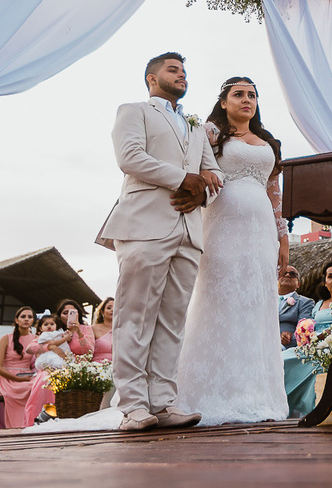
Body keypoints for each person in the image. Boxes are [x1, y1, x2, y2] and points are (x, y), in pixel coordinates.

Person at [95, 52, 224, 432]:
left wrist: (202, 194)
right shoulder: (133, 111)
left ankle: (164, 403)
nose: (181, 75)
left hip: (188, 231)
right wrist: (183, 179)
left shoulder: (195, 126)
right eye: (173, 70)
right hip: (144, 224)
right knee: (135, 316)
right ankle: (133, 406)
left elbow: (213, 174)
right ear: (152, 78)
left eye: (184, 71)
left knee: (172, 321)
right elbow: (130, 157)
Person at [176, 77, 291, 425]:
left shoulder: (269, 142)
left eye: (252, 95)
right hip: (222, 225)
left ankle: (255, 393)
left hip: (261, 232)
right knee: (219, 298)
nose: (246, 100)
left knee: (257, 303)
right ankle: (204, 391)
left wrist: (283, 238)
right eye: (238, 94)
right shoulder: (211, 133)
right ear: (224, 102)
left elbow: (274, 192)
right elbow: (189, 162)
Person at [282, 260, 332, 418]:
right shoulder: (318, 304)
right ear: (325, 282)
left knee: (314, 364)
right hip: (313, 345)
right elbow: (309, 325)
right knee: (282, 358)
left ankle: (313, 408)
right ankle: (281, 402)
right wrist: (305, 334)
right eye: (330, 276)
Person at [24, 301, 96, 426]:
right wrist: (51, 347)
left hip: (78, 367)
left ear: (78, 314)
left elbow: (89, 351)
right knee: (45, 379)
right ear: (59, 315)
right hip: (54, 365)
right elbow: (30, 348)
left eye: (72, 312)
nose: (68, 315)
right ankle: (39, 419)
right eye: (65, 312)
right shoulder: (53, 330)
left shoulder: (86, 329)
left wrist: (79, 332)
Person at [0, 306, 36, 428]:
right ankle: (17, 425)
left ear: (33, 321)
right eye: (23, 316)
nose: (26, 319)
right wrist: (17, 379)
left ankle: (32, 423)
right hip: (8, 378)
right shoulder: (6, 338)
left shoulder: (35, 339)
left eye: (30, 317)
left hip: (27, 376)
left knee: (38, 386)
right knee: (22, 389)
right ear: (17, 320)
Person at [278, 267, 314, 350]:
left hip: (286, 348)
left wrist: (288, 339)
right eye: (284, 273)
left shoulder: (305, 302)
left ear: (298, 284)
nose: (287, 275)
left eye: (292, 274)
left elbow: (304, 331)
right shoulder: (266, 301)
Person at [91, 297, 114, 363]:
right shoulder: (93, 329)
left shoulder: (123, 330)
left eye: (115, 308)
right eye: (109, 308)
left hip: (118, 367)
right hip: (97, 366)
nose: (112, 310)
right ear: (102, 312)